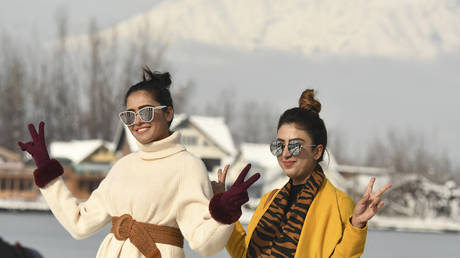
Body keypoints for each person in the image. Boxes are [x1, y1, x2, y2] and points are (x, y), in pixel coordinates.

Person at [17, 67, 260, 258]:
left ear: (168, 113)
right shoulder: (124, 166)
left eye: (145, 112)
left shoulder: (187, 166)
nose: (137, 122)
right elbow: (79, 224)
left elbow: (203, 243)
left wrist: (225, 213)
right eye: (129, 115)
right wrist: (47, 172)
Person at [213, 89, 392, 258]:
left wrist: (356, 226)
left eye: (295, 145)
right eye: (279, 145)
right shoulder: (269, 201)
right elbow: (244, 252)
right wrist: (225, 208)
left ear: (317, 151)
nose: (285, 153)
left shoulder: (338, 204)